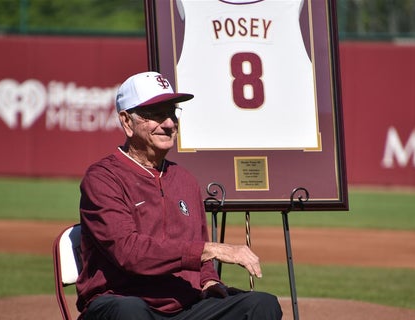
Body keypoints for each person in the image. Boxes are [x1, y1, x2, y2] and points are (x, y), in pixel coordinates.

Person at [77, 71, 282, 320]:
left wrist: (208, 282)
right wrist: (211, 250)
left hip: (183, 309)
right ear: (127, 122)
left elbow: (202, 260)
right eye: (155, 114)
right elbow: (130, 253)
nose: (169, 123)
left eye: (172, 112)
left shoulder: (184, 179)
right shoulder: (103, 178)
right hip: (119, 301)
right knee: (131, 312)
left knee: (262, 305)